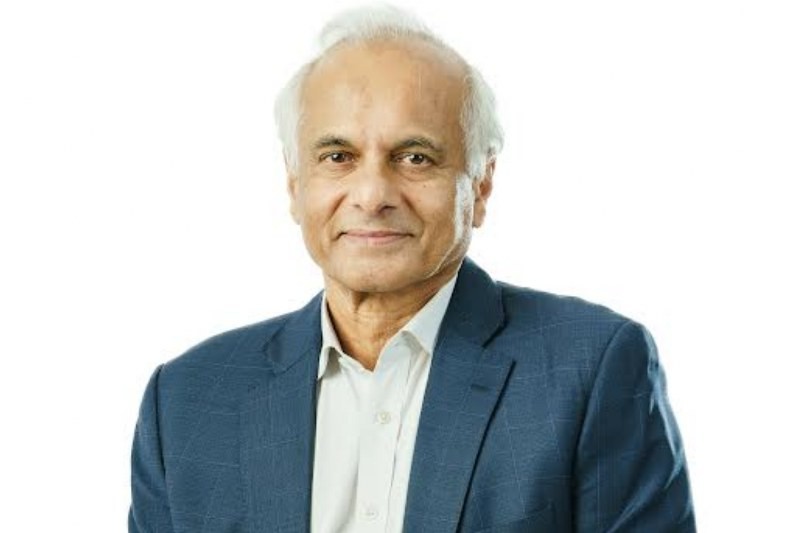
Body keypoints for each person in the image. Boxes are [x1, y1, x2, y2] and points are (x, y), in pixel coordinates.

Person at [129, 5, 695, 532]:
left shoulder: (590, 371)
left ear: (481, 185)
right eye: (337, 156)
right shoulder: (184, 402)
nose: (372, 194)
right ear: (294, 182)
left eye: (415, 157)